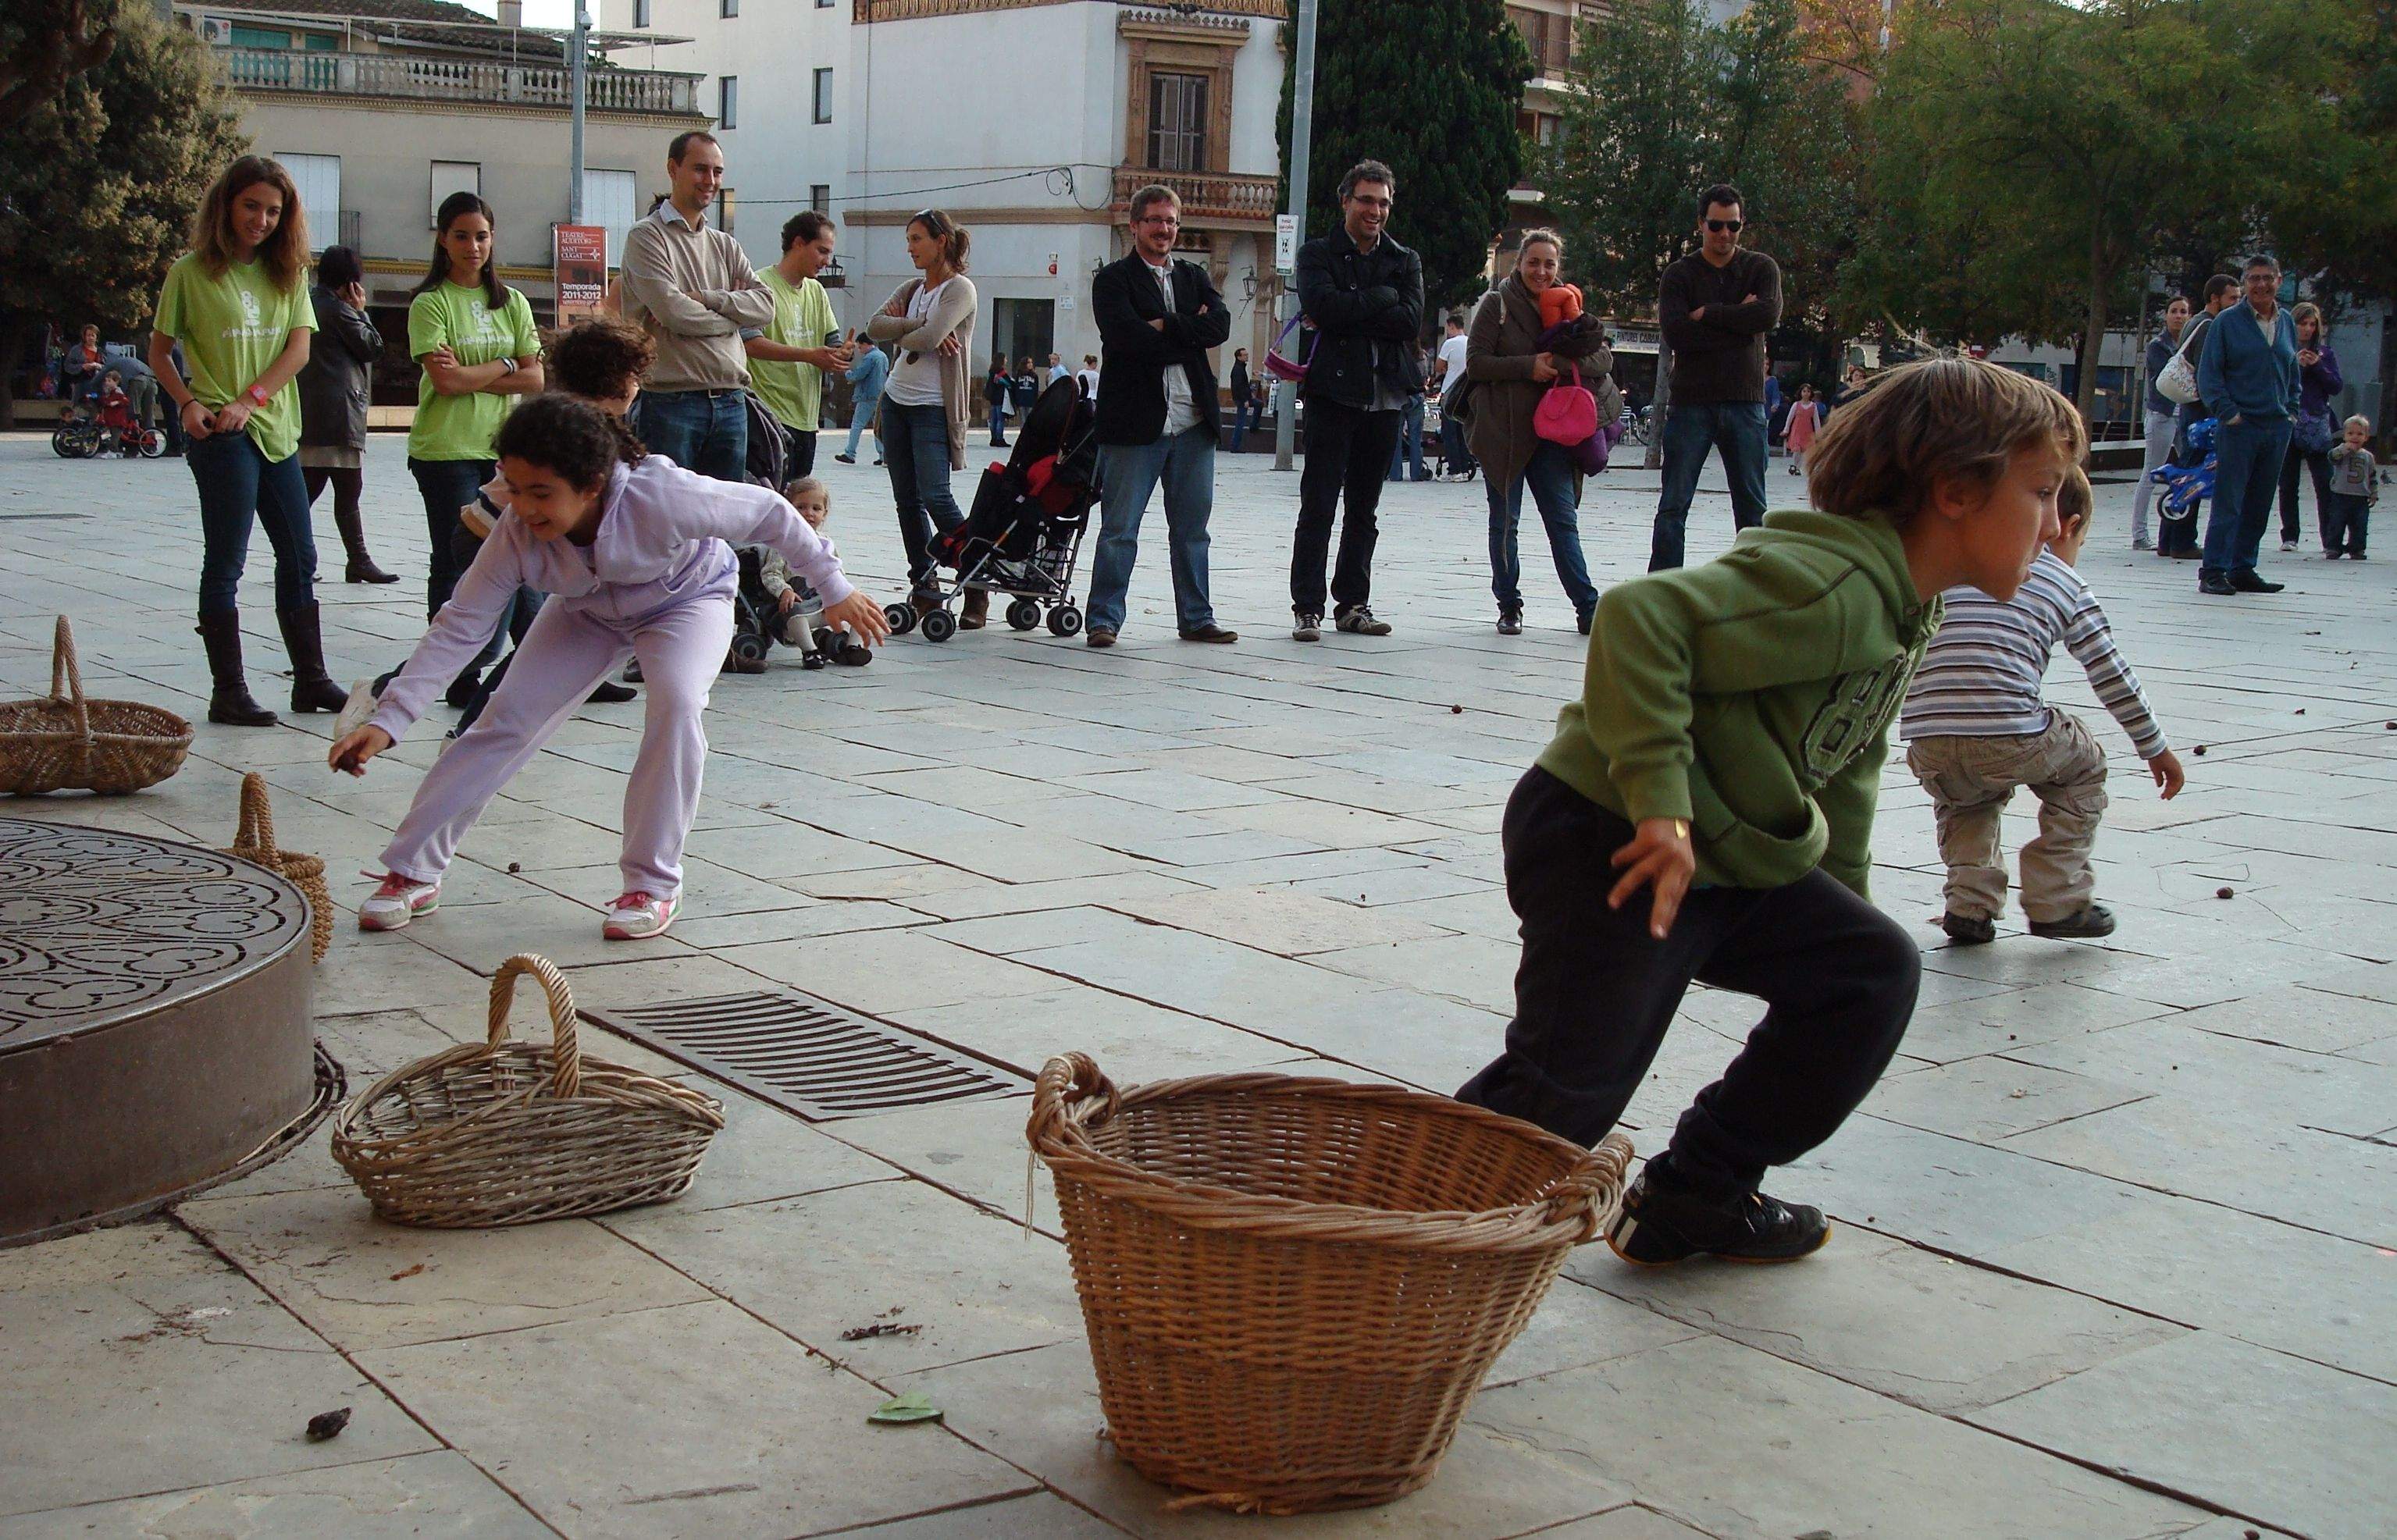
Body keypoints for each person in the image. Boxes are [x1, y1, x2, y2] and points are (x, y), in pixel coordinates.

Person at [1453, 356, 2085, 1266]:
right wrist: (1661, 808)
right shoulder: (1831, 586)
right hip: (1615, 832)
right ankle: (1387, 1221)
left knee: (1865, 971)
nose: (2057, 522)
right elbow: (1640, 618)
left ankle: (1693, 1192)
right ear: (1953, 490)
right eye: (2041, 491)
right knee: (1568, 1095)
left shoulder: (1909, 605)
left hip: (1721, 852)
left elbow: (1847, 758)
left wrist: (1840, 901)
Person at [331, 394, 891, 940]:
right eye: (516, 488)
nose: (524, 508)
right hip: (586, 611)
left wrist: (833, 585)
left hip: (686, 600)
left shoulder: (661, 493)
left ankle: (651, 885)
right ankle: (414, 869)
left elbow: (771, 511)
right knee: (505, 718)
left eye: (543, 494)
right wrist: (390, 718)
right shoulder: (517, 527)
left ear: (593, 484)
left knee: (674, 703)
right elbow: (462, 623)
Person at [1901, 464, 2185, 947]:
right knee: (2084, 765)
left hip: (1927, 738)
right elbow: (2110, 673)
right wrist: (2153, 746)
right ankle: (2058, 896)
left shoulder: (1952, 564)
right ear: (2067, 526)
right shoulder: (2064, 580)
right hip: (2013, 734)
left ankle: (1969, 907)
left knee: (1965, 800)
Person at [149, 155, 346, 727]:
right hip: (218, 436)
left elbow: (299, 349)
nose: (261, 219)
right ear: (227, 206)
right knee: (227, 561)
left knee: (301, 555)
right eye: (251, 206)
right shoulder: (189, 272)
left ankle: (310, 679)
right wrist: (186, 404)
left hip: (274, 429)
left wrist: (251, 399)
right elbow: (160, 351)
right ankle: (228, 690)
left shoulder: (287, 273)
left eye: (273, 211)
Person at [407, 190, 547, 707]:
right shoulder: (430, 303)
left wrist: (486, 373)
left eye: (482, 236)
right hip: (445, 452)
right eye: (462, 236)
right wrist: (508, 366)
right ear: (443, 239)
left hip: (502, 453)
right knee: (457, 560)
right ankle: (453, 668)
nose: (473, 247)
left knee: (526, 554)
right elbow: (445, 384)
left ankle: (543, 660)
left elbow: (535, 378)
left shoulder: (512, 302)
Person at [1084, 183, 1237, 650]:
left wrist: (1166, 324)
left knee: (1193, 531)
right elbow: (1126, 338)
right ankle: (1104, 619)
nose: (1164, 229)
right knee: (1118, 531)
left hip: (1192, 423)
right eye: (1154, 220)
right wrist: (1189, 330)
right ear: (1135, 226)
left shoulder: (1193, 276)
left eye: (1170, 221)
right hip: (1135, 424)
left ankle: (1197, 618)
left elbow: (1221, 326)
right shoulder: (1112, 280)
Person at [1290, 159, 1421, 641]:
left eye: (1384, 202)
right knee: (1319, 503)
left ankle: (1353, 603)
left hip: (1385, 397)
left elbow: (1409, 322)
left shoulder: (1405, 259)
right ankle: (1308, 606)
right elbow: (1323, 307)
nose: (1376, 210)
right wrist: (1381, 298)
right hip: (1333, 394)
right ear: (1346, 200)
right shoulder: (1317, 254)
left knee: (1365, 508)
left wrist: (1356, 308)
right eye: (1367, 200)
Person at [1463, 228, 1608, 636]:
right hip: (1504, 431)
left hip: (1552, 432)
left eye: (1549, 264)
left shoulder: (1569, 305)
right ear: (1518, 263)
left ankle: (1587, 606)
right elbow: (1476, 363)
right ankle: (1509, 605)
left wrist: (1561, 360)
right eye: (1534, 262)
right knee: (1505, 521)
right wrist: (1529, 366)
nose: (1541, 271)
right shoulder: (1497, 304)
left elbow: (1601, 357)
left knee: (1563, 520)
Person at [618, 130, 772, 481]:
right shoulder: (646, 237)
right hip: (673, 404)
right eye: (701, 169)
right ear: (673, 169)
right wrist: (734, 316)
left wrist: (709, 299)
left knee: (722, 526)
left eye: (718, 171)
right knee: (669, 525)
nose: (711, 181)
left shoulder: (725, 245)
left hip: (733, 402)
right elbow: (675, 313)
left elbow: (766, 306)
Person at [1651, 183, 1781, 571]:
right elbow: (1677, 334)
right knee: (1674, 504)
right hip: (1691, 401)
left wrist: (1708, 313)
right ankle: (1663, 589)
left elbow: (1767, 316)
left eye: (1733, 226)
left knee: (1752, 508)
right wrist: (1739, 321)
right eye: (1716, 225)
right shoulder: (1679, 274)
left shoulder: (1761, 268)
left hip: (1745, 402)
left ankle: (1756, 588)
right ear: (1701, 225)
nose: (1725, 234)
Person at [865, 208, 979, 625]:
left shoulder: (959, 289)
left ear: (941, 241)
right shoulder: (912, 288)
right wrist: (915, 323)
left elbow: (932, 339)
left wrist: (915, 330)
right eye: (908, 239)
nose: (910, 248)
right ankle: (925, 585)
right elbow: (874, 328)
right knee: (906, 501)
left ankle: (977, 580)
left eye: (916, 239)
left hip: (933, 406)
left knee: (936, 496)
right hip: (896, 402)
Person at [2196, 254, 2299, 597]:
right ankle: (2213, 570)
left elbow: (2292, 371)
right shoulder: (2227, 322)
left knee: (2259, 501)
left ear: (2279, 281)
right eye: (2254, 278)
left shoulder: (2286, 322)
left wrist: (2292, 411)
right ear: (2245, 283)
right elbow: (2209, 374)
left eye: (2268, 278)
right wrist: (2229, 413)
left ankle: (2243, 567)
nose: (2261, 285)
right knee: (2229, 500)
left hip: (2276, 426)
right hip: (2240, 426)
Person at [297, 244, 397, 585]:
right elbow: (373, 347)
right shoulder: (339, 311)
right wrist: (362, 311)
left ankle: (314, 560)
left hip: (313, 414)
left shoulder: (309, 303)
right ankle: (352, 561)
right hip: (338, 415)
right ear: (351, 282)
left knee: (314, 489)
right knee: (343, 489)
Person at [743, 210, 847, 484]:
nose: (827, 261)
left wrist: (840, 354)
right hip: (769, 416)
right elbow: (750, 343)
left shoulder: (816, 291)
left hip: (807, 419)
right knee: (769, 502)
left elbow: (831, 341)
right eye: (822, 251)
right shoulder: (760, 284)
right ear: (798, 243)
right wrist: (810, 356)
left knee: (798, 505)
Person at [2161, 275, 2239, 560]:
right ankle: (2182, 540)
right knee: (2195, 475)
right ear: (2215, 298)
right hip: (2200, 412)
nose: (2237, 304)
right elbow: (2209, 372)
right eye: (2233, 298)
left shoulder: (2197, 323)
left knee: (2185, 471)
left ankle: (2169, 539)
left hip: (2190, 410)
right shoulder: (2208, 325)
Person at [2277, 301, 2342, 554]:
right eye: (2302, 324)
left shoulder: (2326, 354)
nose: (2307, 329)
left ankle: (2329, 537)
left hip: (2317, 423)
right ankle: (2290, 535)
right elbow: (2280, 383)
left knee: (2324, 483)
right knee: (2288, 482)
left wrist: (2317, 366)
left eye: (2311, 324)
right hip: (2290, 421)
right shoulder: (2284, 352)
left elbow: (2336, 386)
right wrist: (2298, 366)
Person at [2130, 294, 2191, 553]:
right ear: (2166, 316)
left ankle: (2179, 532)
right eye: (2174, 311)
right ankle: (2139, 534)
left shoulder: (2191, 342)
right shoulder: (2157, 346)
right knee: (2152, 473)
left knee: (2187, 472)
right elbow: (2166, 376)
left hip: (2185, 414)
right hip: (2162, 415)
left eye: (2183, 311)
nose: (2178, 316)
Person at [1434, 313, 1480, 481]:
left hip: (1450, 392)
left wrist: (1447, 368)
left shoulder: (1450, 344)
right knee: (1463, 432)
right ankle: (1465, 467)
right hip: (1468, 392)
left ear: (1452, 326)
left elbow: (1439, 366)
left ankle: (1455, 470)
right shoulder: (1471, 342)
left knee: (1449, 433)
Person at [2324, 414, 2377, 559]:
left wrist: (2373, 493)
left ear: (2366, 437)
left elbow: (2372, 476)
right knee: (2336, 523)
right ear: (2344, 436)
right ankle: (2333, 547)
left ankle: (2357, 549)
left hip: (2360, 497)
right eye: (2350, 433)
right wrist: (2344, 448)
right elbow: (2332, 457)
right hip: (2340, 494)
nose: (2355, 437)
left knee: (2359, 525)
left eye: (2360, 434)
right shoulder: (2341, 452)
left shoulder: (2368, 457)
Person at [835, 333, 889, 465]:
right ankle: (883, 455)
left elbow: (858, 375)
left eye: (859, 347)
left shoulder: (870, 358)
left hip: (867, 396)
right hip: (881, 395)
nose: (859, 350)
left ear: (865, 344)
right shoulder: (883, 356)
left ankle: (850, 453)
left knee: (857, 425)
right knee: (878, 427)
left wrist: (847, 373)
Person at [1387, 350, 1429, 483]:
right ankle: (1416, 473)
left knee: (1396, 437)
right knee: (1416, 437)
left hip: (1400, 396)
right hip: (1417, 395)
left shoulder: (1398, 354)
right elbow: (1425, 376)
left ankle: (1395, 474)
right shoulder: (1422, 356)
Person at [1782, 383, 1820, 475]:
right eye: (1804, 391)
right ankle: (1795, 465)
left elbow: (1816, 420)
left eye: (1808, 391)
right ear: (1801, 393)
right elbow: (1790, 418)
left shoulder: (1813, 406)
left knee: (1803, 450)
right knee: (1797, 449)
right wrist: (1786, 429)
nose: (1806, 393)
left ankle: (1797, 467)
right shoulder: (1796, 405)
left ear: (1811, 393)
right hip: (1796, 430)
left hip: (1807, 431)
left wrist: (1818, 433)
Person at [1227, 346, 1255, 452]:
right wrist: (1245, 400)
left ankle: (1254, 425)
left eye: (1247, 355)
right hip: (1242, 399)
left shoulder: (1241, 367)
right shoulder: (1238, 369)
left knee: (1259, 405)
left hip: (1245, 398)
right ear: (1239, 357)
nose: (1247, 356)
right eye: (1245, 355)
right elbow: (1238, 387)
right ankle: (1235, 446)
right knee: (1240, 422)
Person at [984, 357, 1012, 447]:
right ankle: (999, 439)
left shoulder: (991, 372)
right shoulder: (1002, 372)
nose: (1006, 360)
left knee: (994, 420)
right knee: (1000, 420)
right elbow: (1009, 383)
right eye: (1005, 359)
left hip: (992, 398)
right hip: (1000, 398)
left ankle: (993, 438)